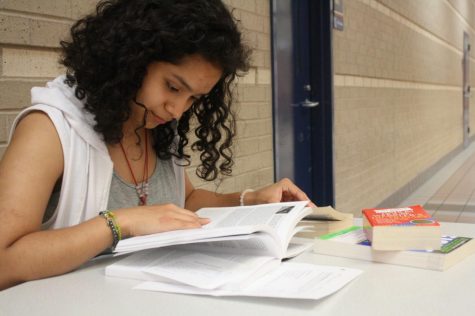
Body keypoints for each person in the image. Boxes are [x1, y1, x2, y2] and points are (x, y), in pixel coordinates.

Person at [0, 0, 312, 290]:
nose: (177, 110)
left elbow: (183, 202)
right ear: (132, 57)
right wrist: (122, 222)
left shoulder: (152, 123)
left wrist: (249, 199)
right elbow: (4, 260)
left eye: (193, 98)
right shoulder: (50, 129)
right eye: (173, 87)